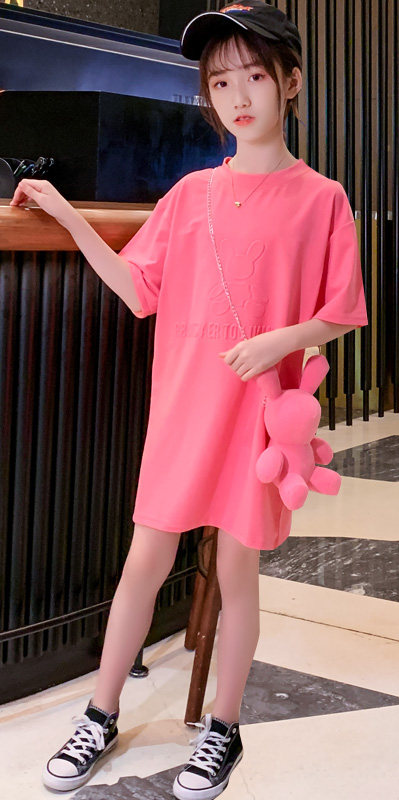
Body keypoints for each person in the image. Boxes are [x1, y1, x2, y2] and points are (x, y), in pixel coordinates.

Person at [12, 3, 367, 798]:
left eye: (254, 76)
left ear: (291, 82)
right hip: (181, 411)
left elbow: (342, 310)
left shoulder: (322, 198)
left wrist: (278, 342)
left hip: (254, 419)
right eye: (221, 81)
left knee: (237, 571)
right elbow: (137, 289)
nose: (237, 95)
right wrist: (67, 213)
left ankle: (224, 727)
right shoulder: (190, 193)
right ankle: (100, 713)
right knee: (144, 561)